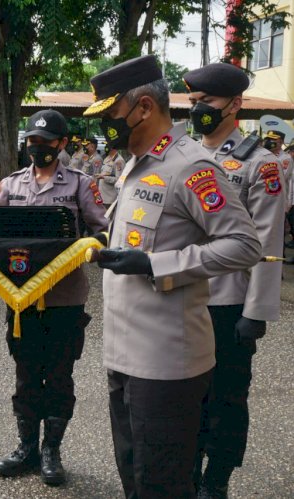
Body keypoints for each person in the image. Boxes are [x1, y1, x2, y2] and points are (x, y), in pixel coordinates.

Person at [82, 54, 262, 498]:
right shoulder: (135, 163)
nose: (105, 125)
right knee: (134, 474)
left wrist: (156, 265)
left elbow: (244, 245)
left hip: (166, 363)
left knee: (161, 483)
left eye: (111, 114)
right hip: (123, 353)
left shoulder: (191, 167)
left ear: (143, 108)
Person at [183, 63, 285, 498]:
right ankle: (186, 471)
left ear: (235, 104)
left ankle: (217, 478)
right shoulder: (182, 155)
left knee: (226, 398)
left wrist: (257, 311)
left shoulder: (259, 165)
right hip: (183, 297)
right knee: (184, 395)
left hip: (228, 304)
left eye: (207, 102)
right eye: (193, 102)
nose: (198, 109)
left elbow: (267, 240)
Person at [0, 109, 108, 485]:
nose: (37, 147)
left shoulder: (79, 184)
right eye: (32, 141)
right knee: (26, 374)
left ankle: (51, 450)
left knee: (59, 376)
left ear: (62, 144)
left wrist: (91, 249)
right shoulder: (11, 185)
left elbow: (101, 230)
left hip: (64, 299)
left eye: (45, 142)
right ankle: (26, 446)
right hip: (22, 299)